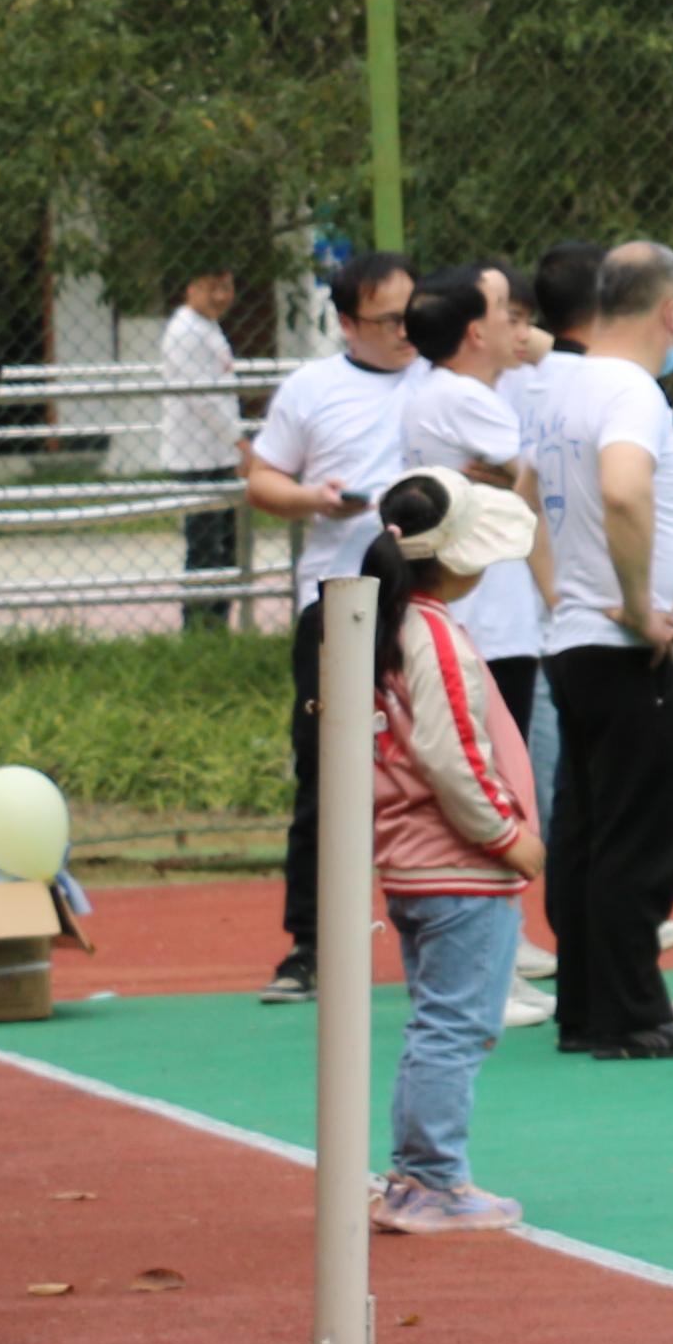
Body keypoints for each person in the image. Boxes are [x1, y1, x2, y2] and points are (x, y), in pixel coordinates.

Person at [520, 241, 673, 1057]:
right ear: (670, 310)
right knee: (644, 832)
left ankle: (589, 1006)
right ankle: (634, 1014)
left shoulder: (562, 386)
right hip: (630, 644)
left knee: (591, 826)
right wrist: (640, 606)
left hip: (578, 636)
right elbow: (626, 487)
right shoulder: (630, 388)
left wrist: (558, 587)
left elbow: (526, 494)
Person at [353, 471, 546, 1234]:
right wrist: (507, 835)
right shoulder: (431, 633)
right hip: (459, 863)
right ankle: (431, 1180)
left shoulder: (388, 625)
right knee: (455, 1025)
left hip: (418, 860)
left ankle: (415, 1174)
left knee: (438, 1022)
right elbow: (454, 751)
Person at [246, 249, 418, 1005]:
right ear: (347, 323)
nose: (407, 332)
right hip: (341, 601)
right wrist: (316, 498)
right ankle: (312, 945)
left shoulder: (447, 378)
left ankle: (467, 938)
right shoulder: (312, 388)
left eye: (416, 315)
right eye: (389, 320)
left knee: (450, 769)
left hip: (436, 602)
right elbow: (262, 479)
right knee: (329, 775)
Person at [395, 263, 551, 1024]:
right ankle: (495, 966)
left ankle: (508, 947)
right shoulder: (462, 395)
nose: (518, 326)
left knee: (507, 778)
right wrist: (512, 480)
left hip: (495, 613)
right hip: (493, 619)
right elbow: (534, 469)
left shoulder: (451, 391)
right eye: (503, 313)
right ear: (473, 332)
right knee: (496, 786)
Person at [164, 268, 245, 632]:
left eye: (226, 287)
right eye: (213, 287)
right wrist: (240, 442)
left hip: (217, 451)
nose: (221, 296)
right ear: (191, 287)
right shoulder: (186, 331)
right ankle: (200, 627)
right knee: (204, 548)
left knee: (224, 546)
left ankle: (217, 623)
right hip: (197, 456)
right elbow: (204, 398)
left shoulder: (207, 327)